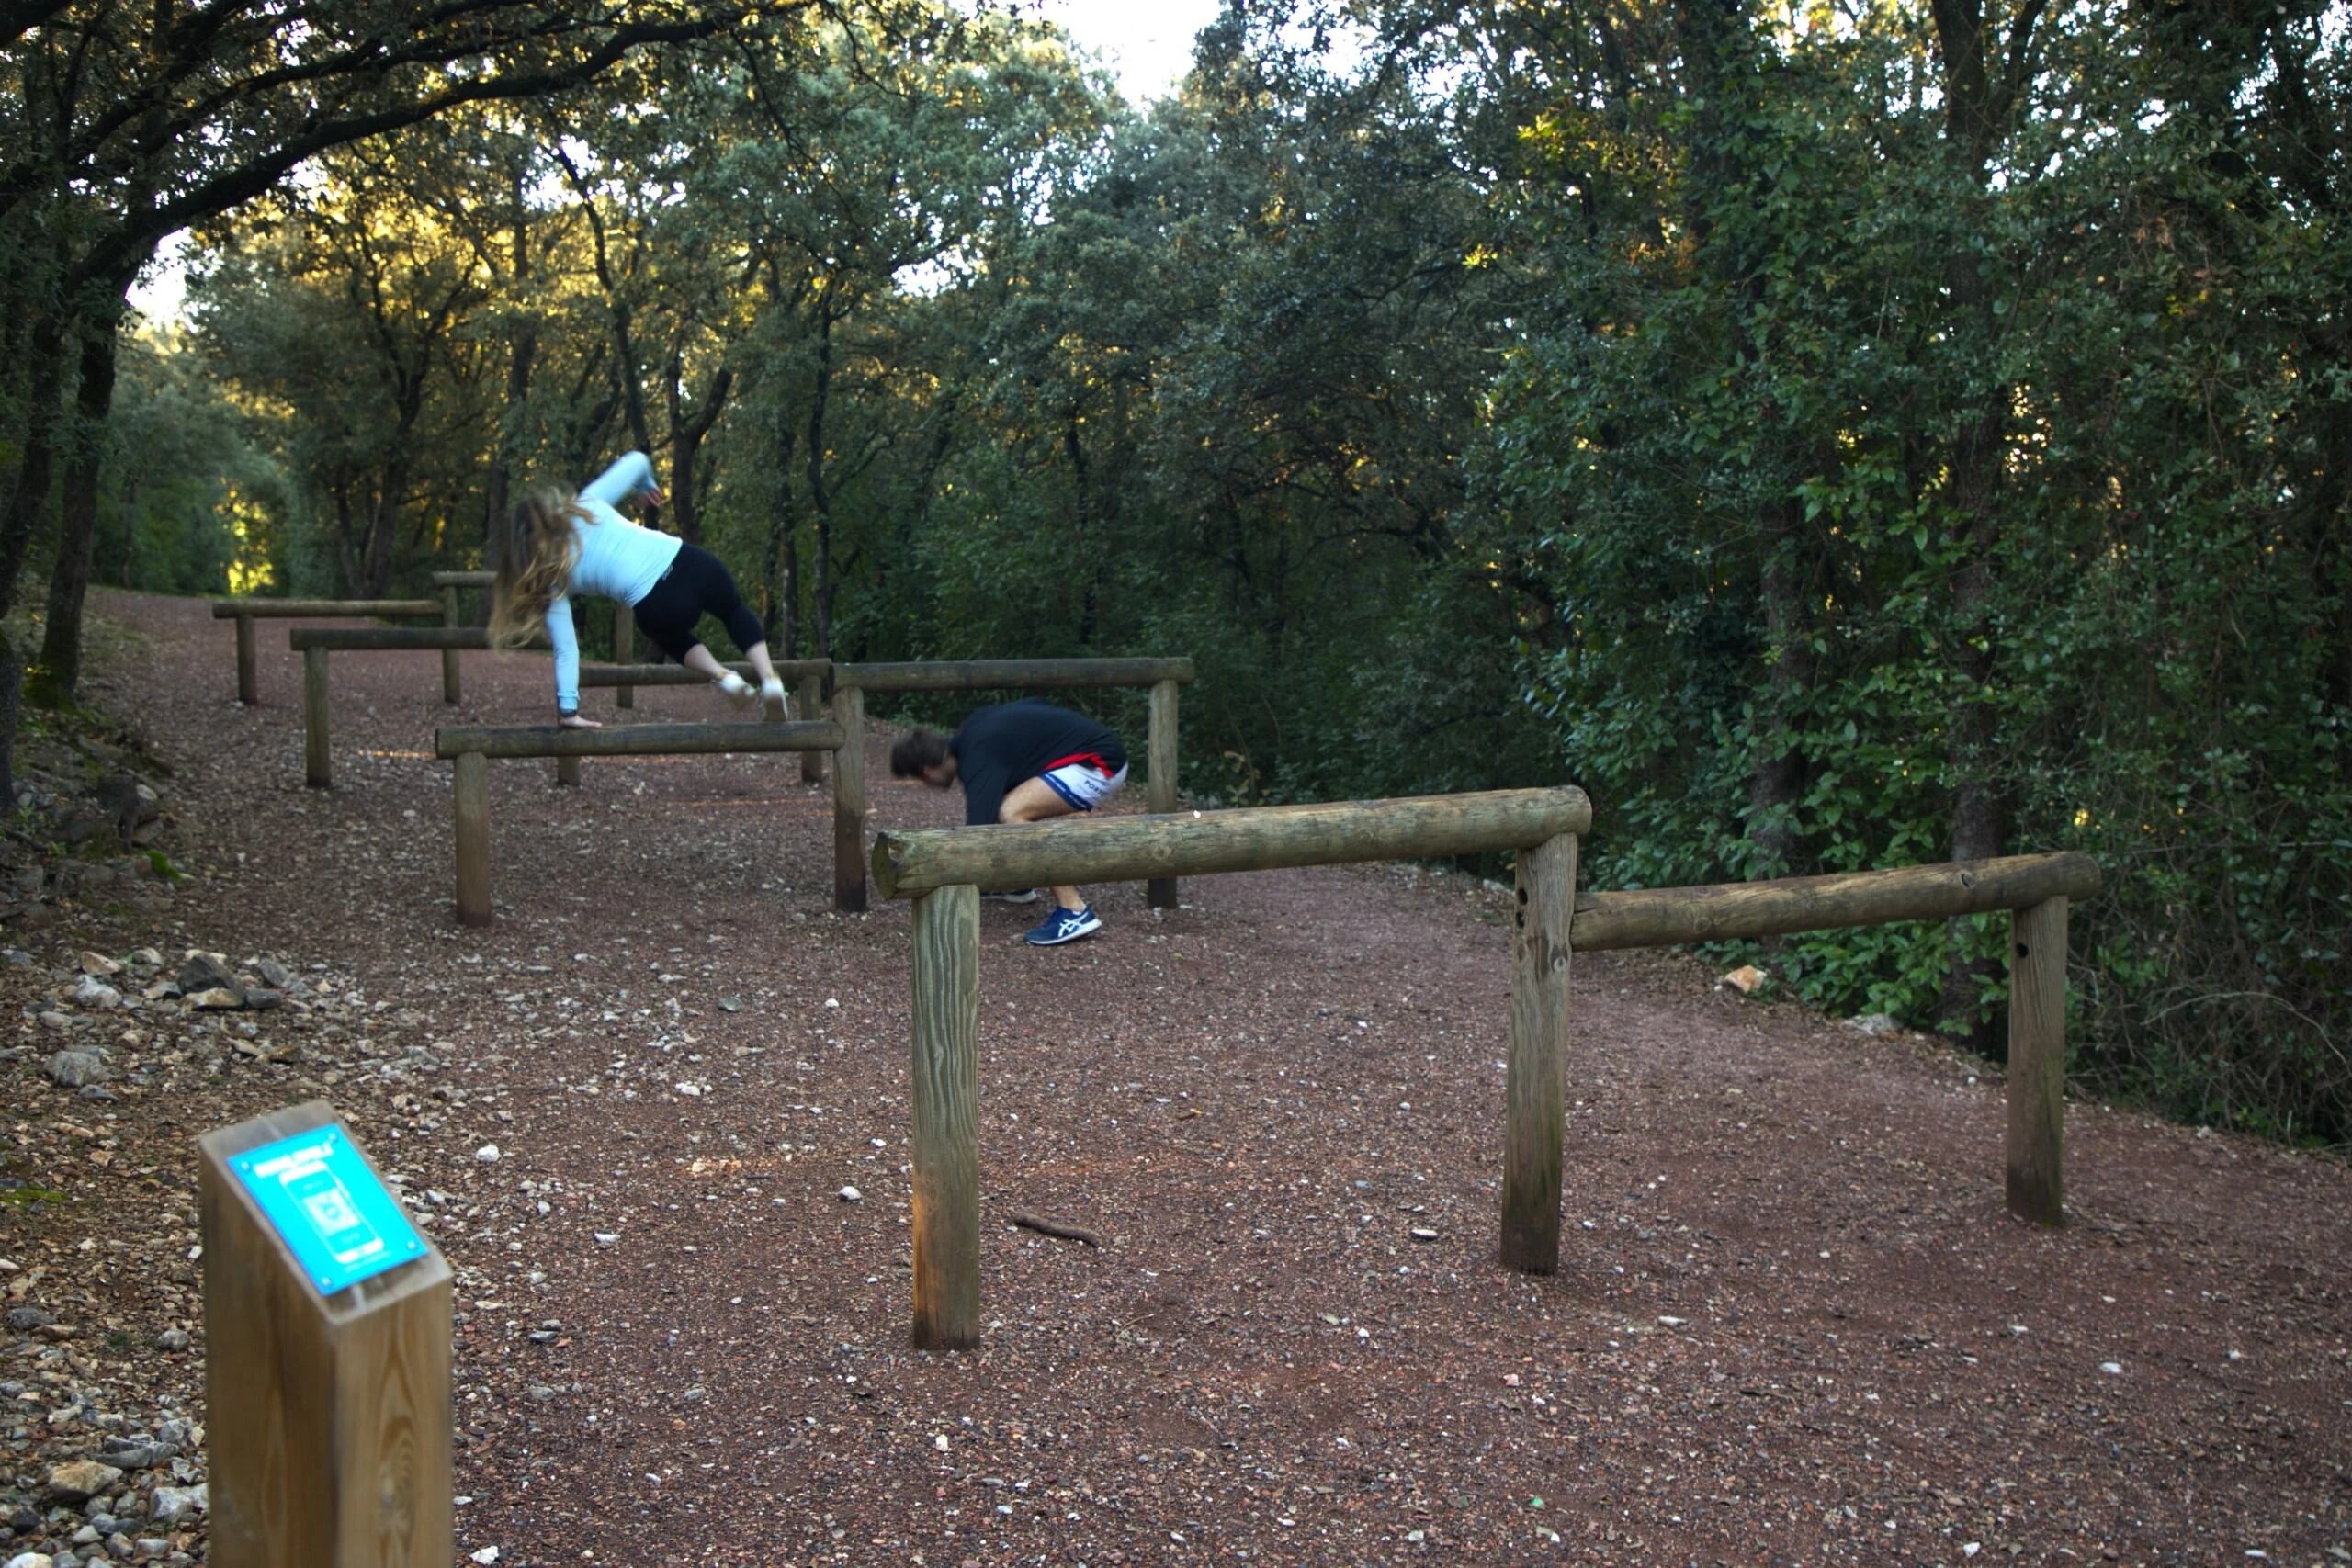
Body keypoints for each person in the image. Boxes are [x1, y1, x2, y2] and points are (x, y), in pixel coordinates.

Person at [490, 452, 785, 728]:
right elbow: (638, 459)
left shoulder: (552, 580)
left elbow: (566, 651)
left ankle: (723, 676)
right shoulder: (588, 504)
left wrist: (569, 711)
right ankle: (769, 679)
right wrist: (646, 486)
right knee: (733, 610)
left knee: (672, 638)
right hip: (689, 563)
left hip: (656, 605)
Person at [890, 698, 1128, 946]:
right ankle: (1017, 884)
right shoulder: (971, 734)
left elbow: (975, 835)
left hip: (1100, 763)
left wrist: (935, 874)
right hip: (1089, 753)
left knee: (1012, 812)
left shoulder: (977, 756)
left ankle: (1074, 910)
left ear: (926, 771)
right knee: (1001, 803)